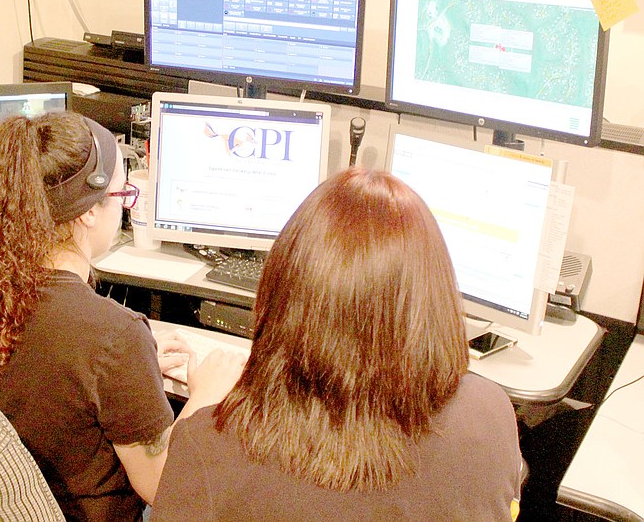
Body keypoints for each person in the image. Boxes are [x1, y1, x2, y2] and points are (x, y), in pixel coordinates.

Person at [152, 168, 523, 521]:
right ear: (435, 296)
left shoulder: (211, 448)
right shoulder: (490, 414)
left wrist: (201, 405)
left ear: (282, 291)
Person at [0, 111, 242, 522]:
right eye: (122, 194)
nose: (125, 206)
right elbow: (162, 486)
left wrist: (135, 368)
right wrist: (206, 395)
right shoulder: (113, 335)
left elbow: (54, 373)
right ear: (89, 211)